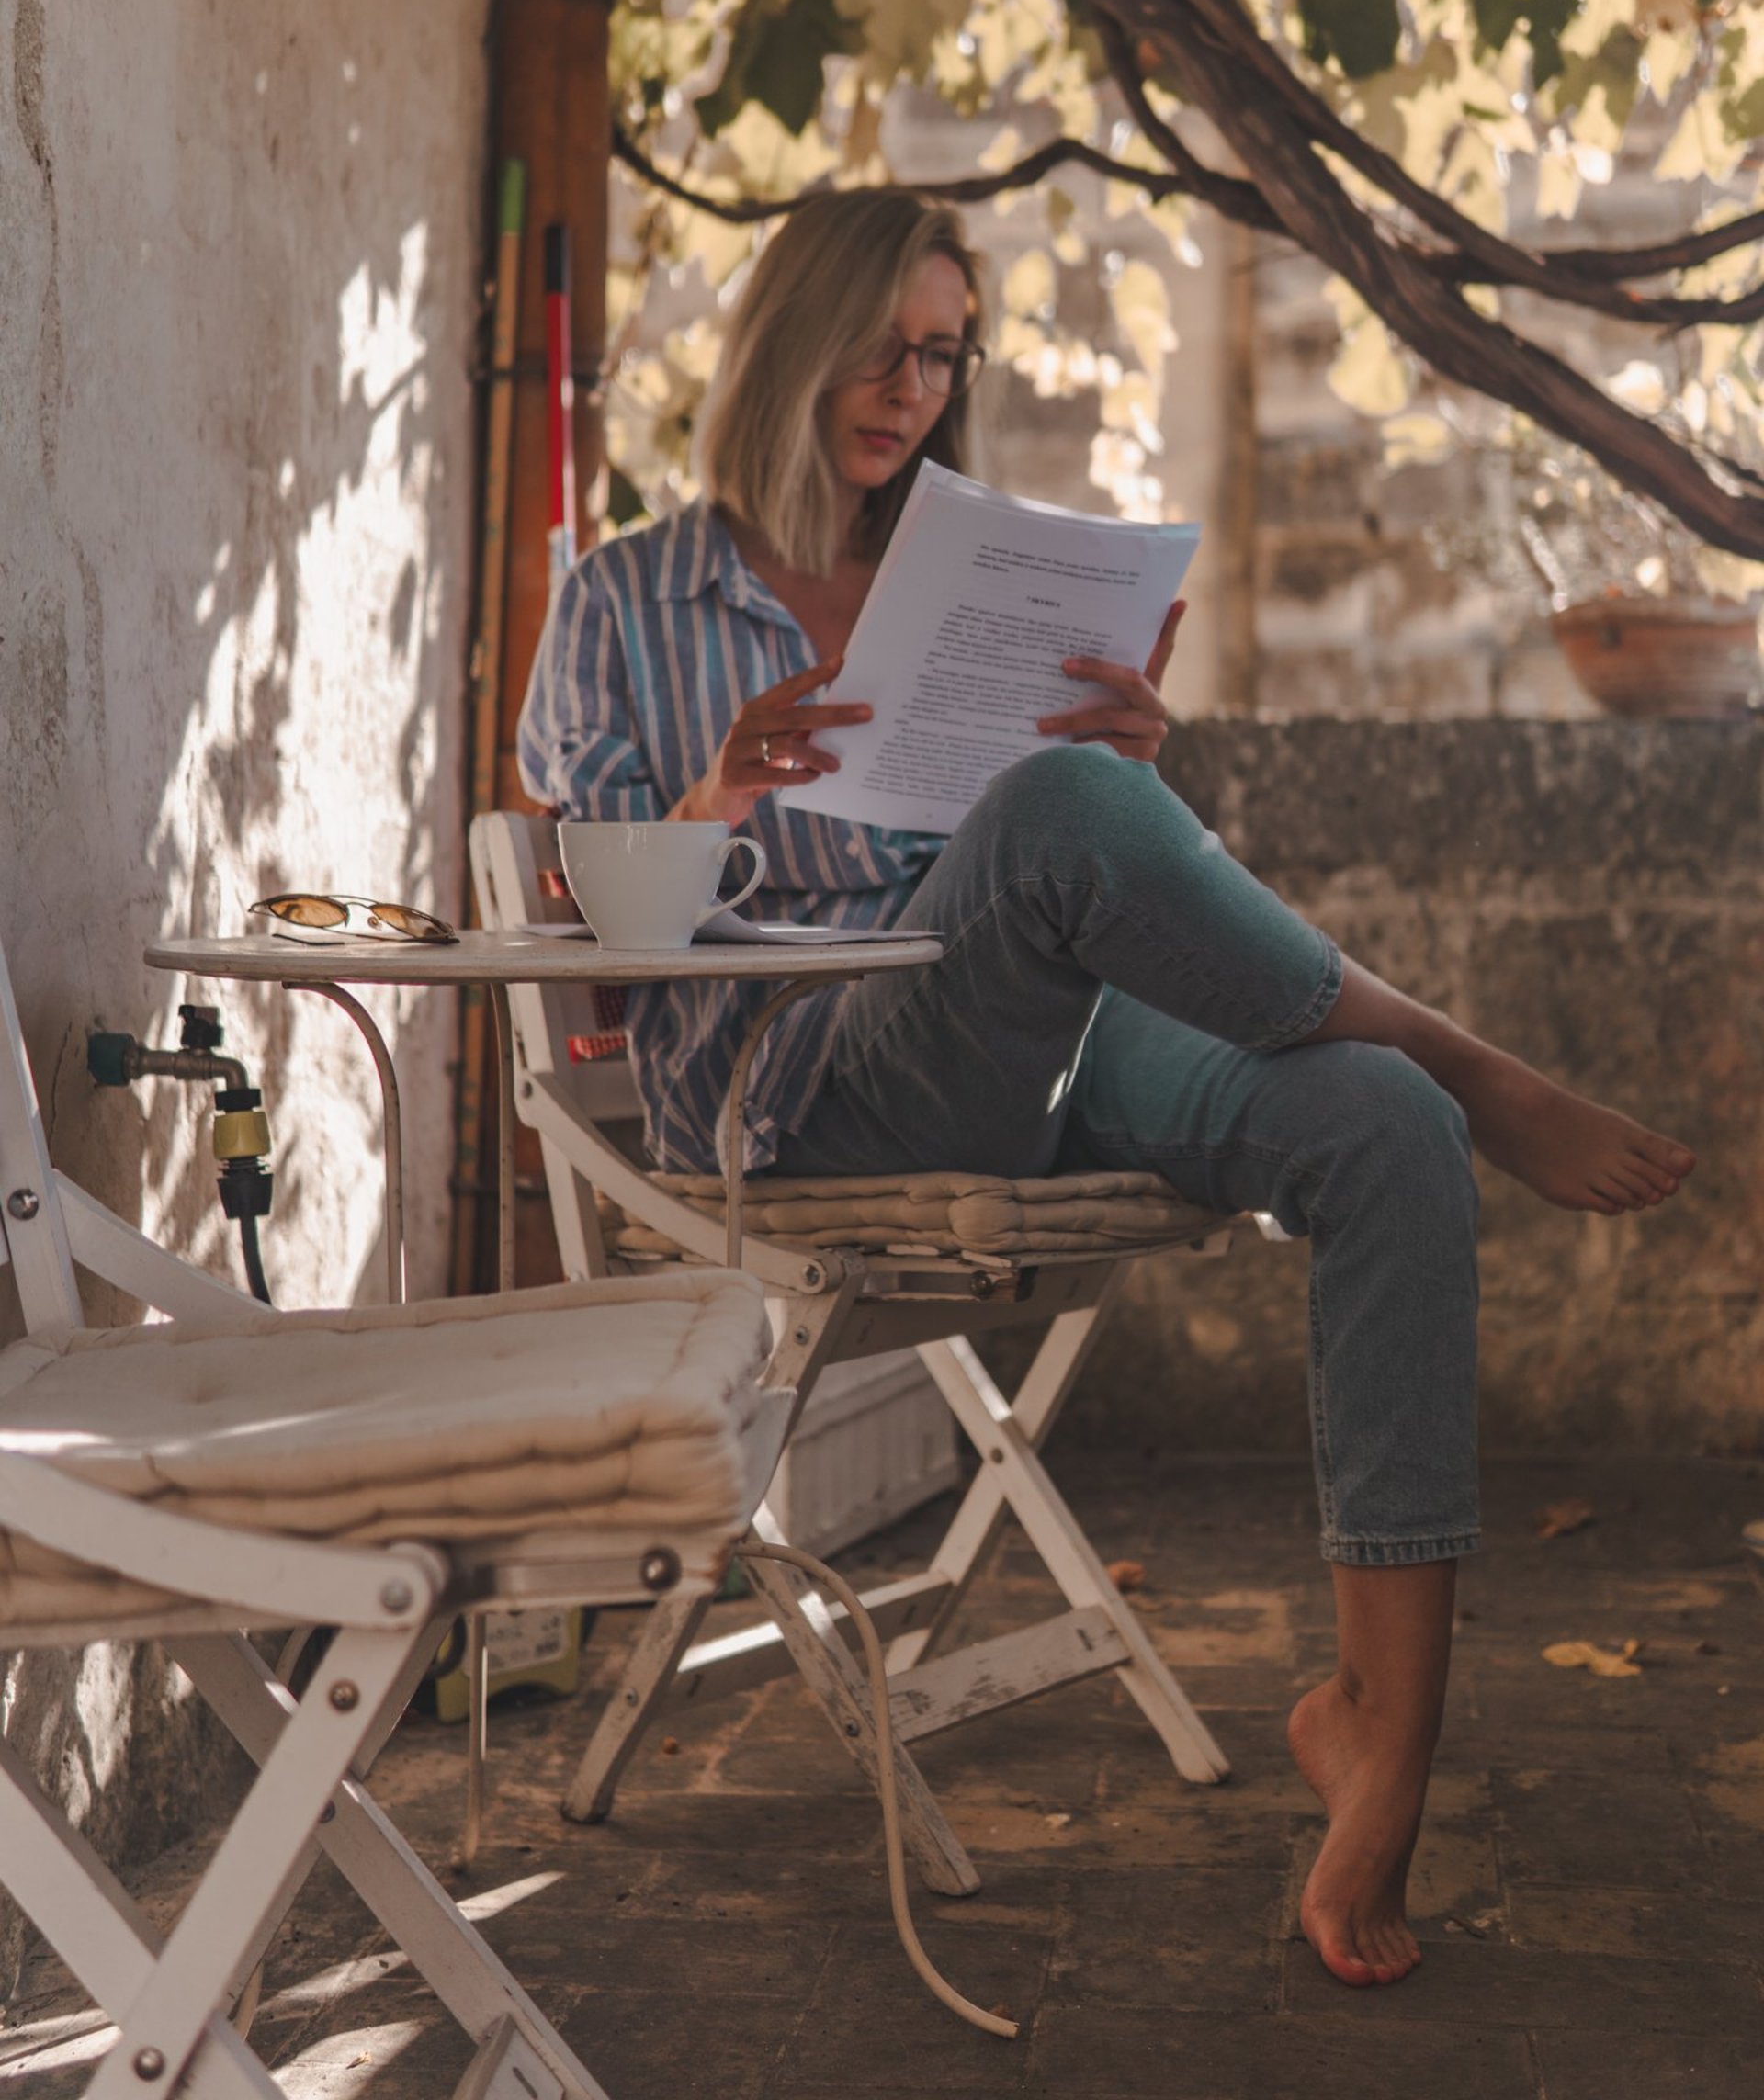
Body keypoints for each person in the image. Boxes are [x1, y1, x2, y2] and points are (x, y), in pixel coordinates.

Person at [519, 187, 1694, 1990]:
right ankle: (1470, 1059)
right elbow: (580, 975)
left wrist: (1142, 769)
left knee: (1375, 1129)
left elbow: (1128, 893)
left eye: (944, 354)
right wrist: (711, 805)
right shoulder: (622, 602)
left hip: (1031, 1023)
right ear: (791, 334)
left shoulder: (959, 586)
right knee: (1129, 873)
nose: (914, 385)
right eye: (885, 344)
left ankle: (1380, 1728)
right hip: (803, 1102)